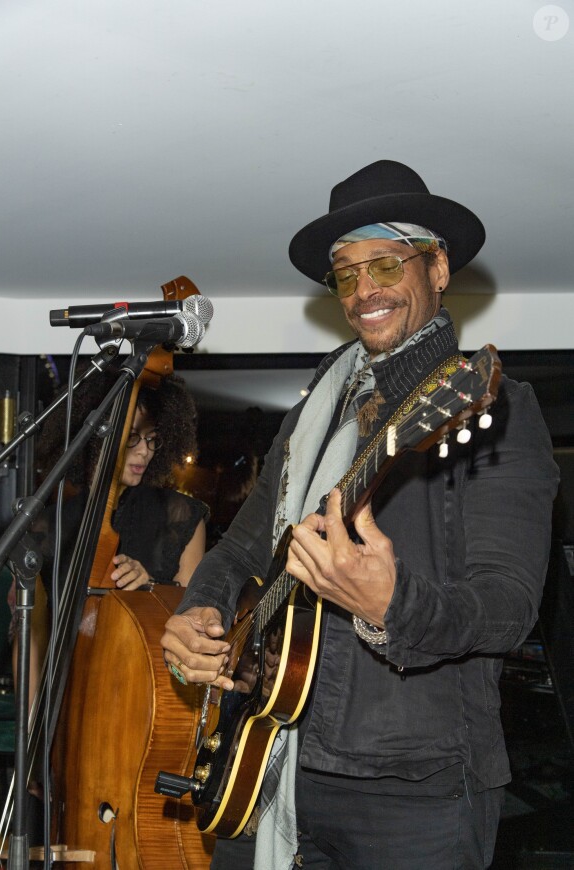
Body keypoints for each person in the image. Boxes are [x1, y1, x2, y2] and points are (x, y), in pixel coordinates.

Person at [161, 160, 559, 870]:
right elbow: (247, 546)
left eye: (385, 263)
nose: (363, 290)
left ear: (437, 268)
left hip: (420, 795)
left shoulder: (493, 407)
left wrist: (391, 606)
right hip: (271, 762)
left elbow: (509, 607)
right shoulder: (318, 404)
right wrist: (202, 613)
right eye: (346, 274)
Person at [9, 369, 209, 703]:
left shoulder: (182, 516)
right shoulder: (52, 524)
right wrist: (32, 732)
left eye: (152, 439)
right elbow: (30, 638)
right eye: (132, 436)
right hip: (69, 702)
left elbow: (197, 625)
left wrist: (150, 591)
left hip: (145, 700)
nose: (144, 451)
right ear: (98, 436)